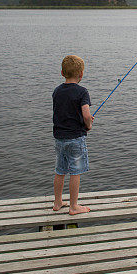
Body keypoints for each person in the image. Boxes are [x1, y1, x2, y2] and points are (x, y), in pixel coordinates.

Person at [52, 55, 94, 215]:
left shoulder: (57, 91)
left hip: (59, 137)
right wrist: (88, 124)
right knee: (75, 171)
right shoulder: (82, 92)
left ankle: (57, 202)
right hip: (76, 138)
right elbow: (85, 115)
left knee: (60, 170)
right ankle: (73, 206)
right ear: (81, 74)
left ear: (62, 72)